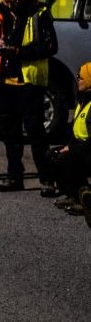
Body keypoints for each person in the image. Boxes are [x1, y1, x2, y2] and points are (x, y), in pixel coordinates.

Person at [0, 0, 58, 194]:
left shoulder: (39, 13)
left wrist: (19, 52)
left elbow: (51, 46)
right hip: (2, 81)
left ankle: (46, 179)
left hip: (29, 82)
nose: (8, 4)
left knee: (35, 132)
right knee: (10, 134)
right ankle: (14, 177)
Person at [52, 62, 91, 218]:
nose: (77, 80)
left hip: (88, 148)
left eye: (80, 77)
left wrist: (72, 149)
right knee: (55, 154)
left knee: (70, 157)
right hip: (81, 145)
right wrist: (69, 145)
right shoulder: (82, 100)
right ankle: (72, 195)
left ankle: (84, 200)